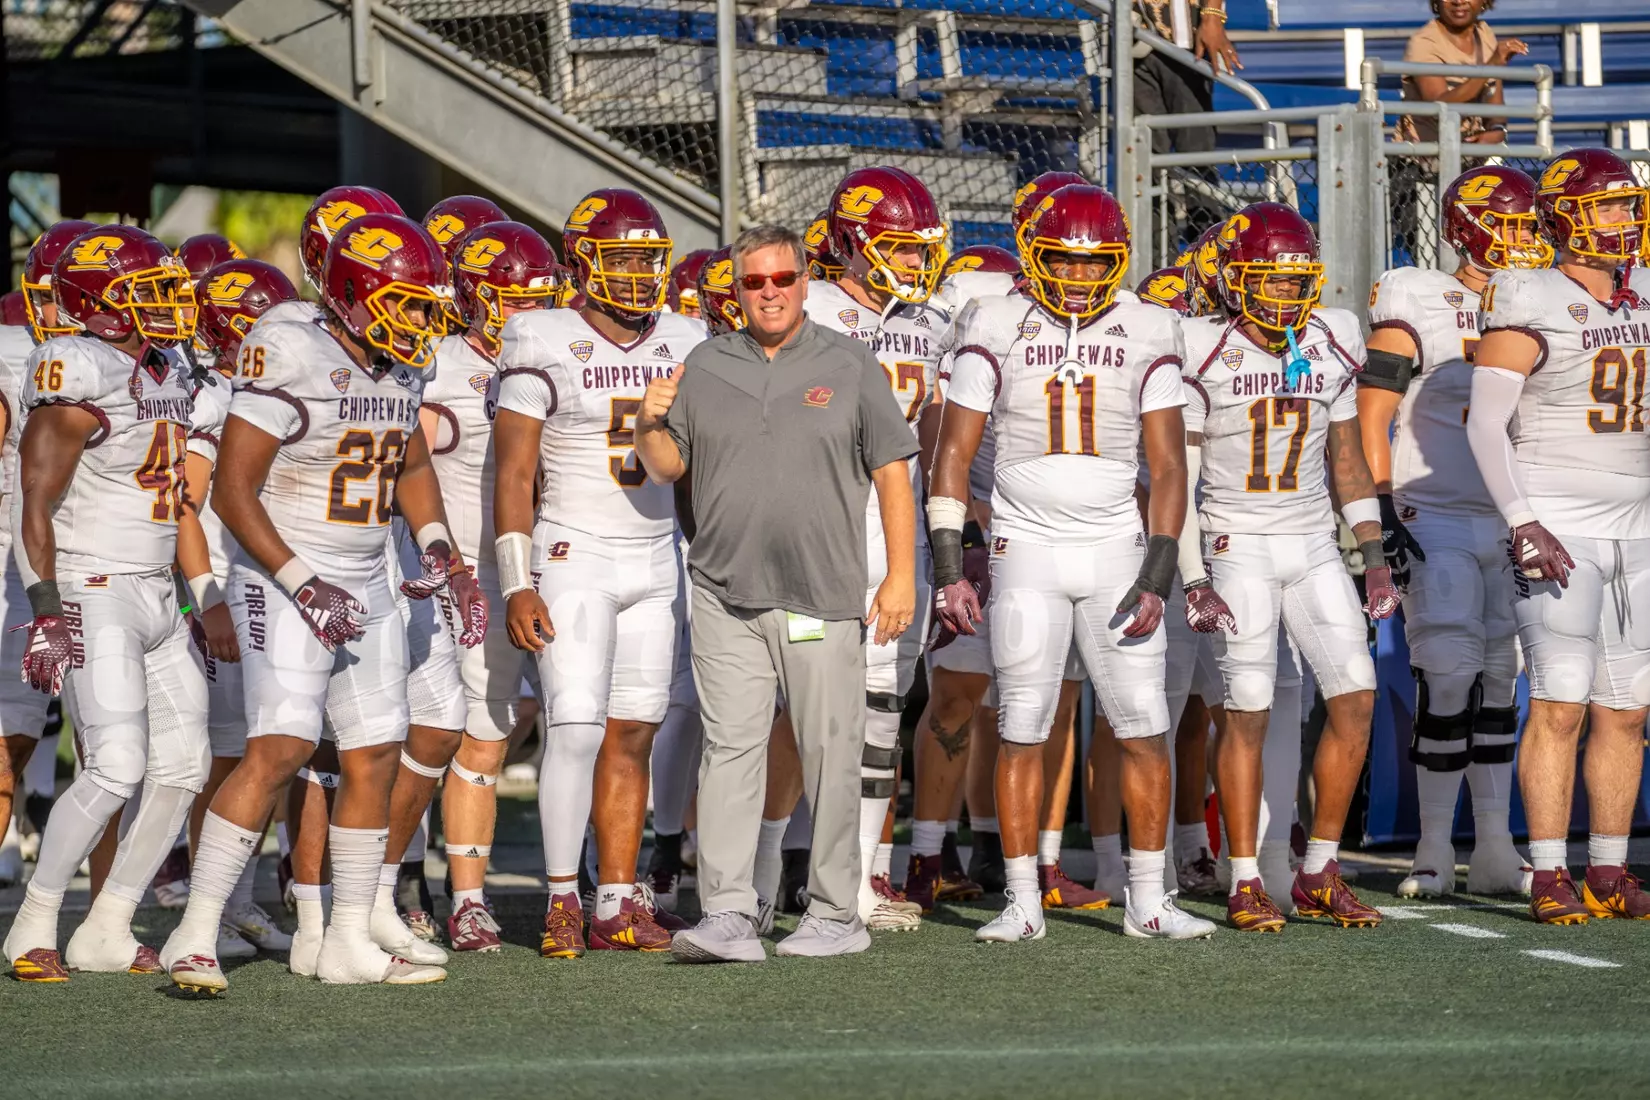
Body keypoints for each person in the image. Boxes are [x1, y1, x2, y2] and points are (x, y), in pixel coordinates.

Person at [158, 212, 484, 992]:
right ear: (352, 294)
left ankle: (343, 940)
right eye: (403, 302)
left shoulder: (400, 359)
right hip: (280, 572)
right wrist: (304, 581)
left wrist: (442, 547)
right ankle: (195, 933)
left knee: (372, 753)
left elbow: (405, 459)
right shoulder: (292, 345)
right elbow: (234, 493)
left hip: (367, 572)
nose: (419, 320)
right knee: (282, 747)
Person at [929, 182, 1218, 944]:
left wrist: (1159, 571)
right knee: (1024, 724)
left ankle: (1149, 900)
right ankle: (1022, 899)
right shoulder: (993, 319)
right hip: (1024, 547)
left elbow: (1168, 462)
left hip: (1115, 549)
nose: (1083, 279)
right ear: (1034, 254)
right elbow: (952, 455)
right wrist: (947, 566)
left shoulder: (1151, 325)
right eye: (1065, 262)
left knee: (1143, 724)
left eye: (1098, 266)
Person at [635, 222, 918, 962]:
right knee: (730, 750)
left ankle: (835, 915)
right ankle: (729, 912)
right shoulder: (703, 362)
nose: (769, 293)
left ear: (803, 282)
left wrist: (901, 576)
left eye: (782, 280)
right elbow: (666, 465)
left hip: (820, 596)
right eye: (753, 281)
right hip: (725, 593)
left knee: (829, 751)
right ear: (736, 287)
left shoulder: (851, 362)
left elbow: (892, 470)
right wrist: (645, 422)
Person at [493, 188, 704, 958]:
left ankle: (616, 900)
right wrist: (516, 578)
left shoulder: (684, 335)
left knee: (635, 731)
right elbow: (513, 473)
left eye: (649, 259)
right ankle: (559, 898)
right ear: (583, 259)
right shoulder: (542, 334)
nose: (639, 273)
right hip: (573, 550)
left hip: (655, 556)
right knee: (575, 727)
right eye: (622, 258)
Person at [1181, 202, 1399, 933]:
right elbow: (1176, 473)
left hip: (1310, 541)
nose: (1284, 292)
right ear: (1235, 280)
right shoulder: (1199, 346)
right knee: (1246, 709)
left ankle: (1319, 868)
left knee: (1355, 697)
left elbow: (1346, 457)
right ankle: (1243, 876)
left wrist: (1371, 556)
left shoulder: (1330, 337)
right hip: (1235, 539)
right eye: (1268, 279)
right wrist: (1191, 573)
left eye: (1295, 278)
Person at [3, 226, 209, 983]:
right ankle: (33, 923)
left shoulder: (168, 364)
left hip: (157, 590)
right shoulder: (75, 364)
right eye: (146, 293)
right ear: (97, 303)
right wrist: (46, 610)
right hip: (93, 589)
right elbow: (36, 501)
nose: (166, 307)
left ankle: (108, 924)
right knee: (117, 765)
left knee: (183, 767)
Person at [1466, 148, 1650, 925]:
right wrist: (1522, 520)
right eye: (1609, 206)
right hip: (1560, 522)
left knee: (1628, 710)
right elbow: (1483, 424)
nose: (1625, 218)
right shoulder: (1529, 292)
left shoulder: (1642, 292)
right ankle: (1548, 871)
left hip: (1637, 527)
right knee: (1561, 703)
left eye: (1627, 205)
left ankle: (1608, 866)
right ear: (1567, 215)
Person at [1358, 166, 1549, 900]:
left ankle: (1497, 846)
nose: (1525, 238)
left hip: (1509, 513)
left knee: (1503, 679)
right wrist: (1375, 516)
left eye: (1533, 225)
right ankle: (1434, 849)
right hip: (1429, 511)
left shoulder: (1540, 301)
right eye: (1511, 223)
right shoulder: (1419, 299)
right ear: (1464, 227)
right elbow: (1371, 416)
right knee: (1448, 676)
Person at [798, 166, 950, 932]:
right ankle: (770, 871)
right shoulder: (808, 308)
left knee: (883, 711)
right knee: (794, 708)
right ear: (853, 243)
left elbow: (932, 439)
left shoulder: (928, 320)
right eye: (899, 246)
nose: (917, 261)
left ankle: (856, 879)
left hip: (895, 535)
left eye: (923, 247)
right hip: (816, 530)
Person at [420, 221, 559, 953]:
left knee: (496, 732)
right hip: (452, 576)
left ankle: (482, 896)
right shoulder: (437, 364)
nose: (526, 313)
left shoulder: (557, 350)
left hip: (543, 568)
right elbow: (402, 473)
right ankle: (423, 891)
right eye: (511, 299)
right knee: (437, 734)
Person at [185, 258, 303, 963]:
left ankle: (239, 898)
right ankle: (210, 908)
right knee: (229, 756)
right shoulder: (216, 396)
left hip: (273, 585)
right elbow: (185, 508)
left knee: (270, 754)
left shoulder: (271, 382)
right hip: (231, 589)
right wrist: (210, 601)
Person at [1397, 0, 1528, 145]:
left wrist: (1497, 129)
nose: (1458, 1)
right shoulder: (1424, 42)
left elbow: (1495, 100)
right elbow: (1440, 106)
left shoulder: (1484, 33)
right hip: (1424, 159)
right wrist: (1491, 65)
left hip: (1471, 159)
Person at [1133, 0, 1241, 155]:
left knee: (1194, 142)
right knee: (1142, 147)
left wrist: (1212, 17)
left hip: (1185, 42)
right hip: (1130, 37)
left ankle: (1198, 178)